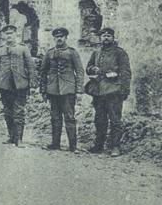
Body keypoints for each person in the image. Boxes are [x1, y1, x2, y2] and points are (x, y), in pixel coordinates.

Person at [85, 27, 131, 157]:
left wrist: (124, 90)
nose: (106, 38)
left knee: (115, 120)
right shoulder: (96, 52)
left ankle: (115, 147)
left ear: (113, 38)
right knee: (99, 119)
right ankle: (99, 145)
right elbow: (88, 68)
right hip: (99, 91)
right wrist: (93, 69)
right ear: (100, 38)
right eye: (104, 36)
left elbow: (126, 72)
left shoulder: (119, 52)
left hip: (114, 91)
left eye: (109, 36)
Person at [40, 27, 84, 153]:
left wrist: (79, 91)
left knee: (69, 117)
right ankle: (55, 144)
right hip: (53, 90)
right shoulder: (49, 53)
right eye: (57, 37)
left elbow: (79, 71)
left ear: (66, 38)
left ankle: (73, 146)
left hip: (68, 90)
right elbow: (43, 72)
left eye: (61, 36)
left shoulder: (72, 52)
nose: (59, 39)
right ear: (54, 38)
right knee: (55, 118)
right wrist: (43, 90)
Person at [0, 24, 34, 147]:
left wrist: (32, 82)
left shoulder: (23, 48)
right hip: (5, 85)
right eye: (7, 34)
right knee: (7, 111)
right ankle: (11, 136)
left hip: (20, 84)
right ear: (4, 36)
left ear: (16, 34)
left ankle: (19, 139)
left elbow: (30, 66)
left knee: (19, 111)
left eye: (11, 33)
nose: (9, 36)